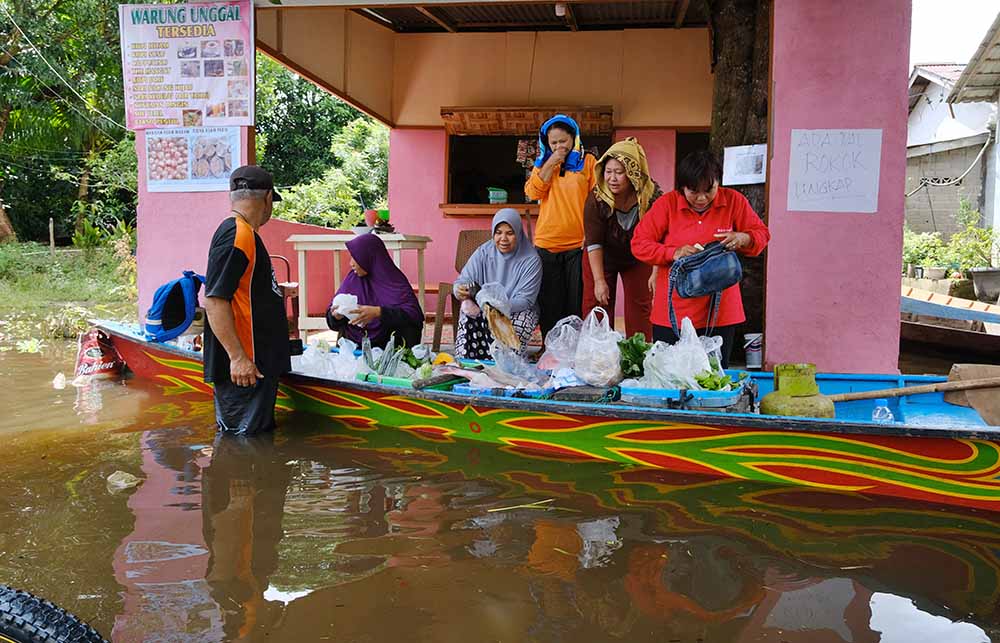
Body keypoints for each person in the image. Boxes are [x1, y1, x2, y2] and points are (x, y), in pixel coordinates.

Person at [631, 150, 770, 367]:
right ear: (682, 187)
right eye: (693, 192)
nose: (702, 198)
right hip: (673, 312)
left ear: (718, 183)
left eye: (709, 190)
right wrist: (673, 252)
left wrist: (743, 238)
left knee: (713, 376)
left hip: (720, 311)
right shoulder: (667, 204)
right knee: (669, 374)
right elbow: (639, 243)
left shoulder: (734, 201)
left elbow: (761, 234)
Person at [203, 165, 292, 436]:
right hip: (246, 367)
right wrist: (238, 358)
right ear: (267, 199)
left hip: (254, 362)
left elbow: (240, 290)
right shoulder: (238, 235)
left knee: (252, 441)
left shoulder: (243, 233)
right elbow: (215, 300)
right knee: (241, 442)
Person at [524, 114, 597, 338]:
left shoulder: (589, 163)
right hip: (547, 243)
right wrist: (551, 162)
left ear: (573, 139)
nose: (558, 146)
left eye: (562, 141)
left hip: (578, 244)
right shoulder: (542, 165)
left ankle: (573, 349)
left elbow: (598, 199)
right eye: (553, 142)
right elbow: (532, 193)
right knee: (550, 301)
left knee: (575, 302)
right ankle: (550, 349)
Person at [582, 137, 662, 341]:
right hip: (601, 256)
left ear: (633, 173)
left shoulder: (651, 197)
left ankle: (639, 355)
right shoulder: (597, 199)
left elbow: (659, 237)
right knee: (598, 304)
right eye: (608, 172)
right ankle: (598, 359)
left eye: (619, 172)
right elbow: (594, 242)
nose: (612, 178)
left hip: (639, 257)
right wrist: (599, 281)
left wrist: (655, 272)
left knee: (641, 305)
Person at [454, 208, 542, 358]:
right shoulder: (484, 252)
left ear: (519, 234)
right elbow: (464, 279)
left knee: (519, 325)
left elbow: (526, 300)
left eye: (510, 233)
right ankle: (468, 359)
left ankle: (506, 364)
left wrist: (499, 305)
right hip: (486, 307)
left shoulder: (531, 260)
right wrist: (459, 289)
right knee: (467, 308)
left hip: (516, 310)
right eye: (498, 232)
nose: (503, 239)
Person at [327, 232, 424, 349]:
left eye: (355, 257)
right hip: (354, 349)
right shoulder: (352, 279)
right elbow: (332, 320)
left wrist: (379, 312)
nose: (351, 263)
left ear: (369, 256)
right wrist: (336, 317)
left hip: (387, 347)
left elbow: (413, 316)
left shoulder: (393, 280)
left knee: (409, 327)